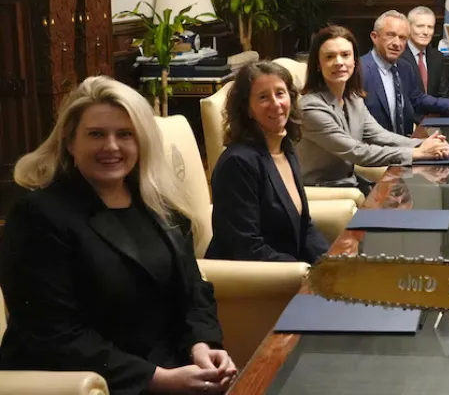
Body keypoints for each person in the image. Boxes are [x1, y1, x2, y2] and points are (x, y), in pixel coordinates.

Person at [0, 76, 237, 394]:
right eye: (96, 134)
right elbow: (51, 334)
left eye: (125, 134)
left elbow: (194, 290)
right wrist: (156, 379)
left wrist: (202, 343)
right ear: (70, 142)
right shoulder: (38, 216)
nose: (111, 146)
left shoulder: (159, 204)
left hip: (172, 369)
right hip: (92, 383)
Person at [298, 25, 449, 192]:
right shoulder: (310, 107)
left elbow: (378, 135)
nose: (339, 62)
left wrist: (423, 144)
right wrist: (417, 153)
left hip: (350, 183)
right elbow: (357, 152)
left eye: (345, 55)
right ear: (318, 64)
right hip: (323, 190)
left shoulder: (353, 99)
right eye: (330, 57)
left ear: (354, 61)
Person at [205, 61, 330, 264]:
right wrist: (307, 272)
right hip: (258, 283)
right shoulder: (238, 164)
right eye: (263, 97)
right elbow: (245, 248)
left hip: (291, 271)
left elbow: (304, 225)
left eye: (280, 93)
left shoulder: (285, 147)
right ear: (247, 109)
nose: (275, 104)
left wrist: (333, 263)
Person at [361, 10, 449, 136]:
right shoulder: (359, 71)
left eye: (402, 38)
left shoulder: (404, 67)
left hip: (405, 146)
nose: (397, 43)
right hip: (374, 150)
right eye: (390, 35)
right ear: (375, 37)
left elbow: (417, 98)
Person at [400, 5, 449, 99]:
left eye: (430, 27)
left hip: (435, 112)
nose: (426, 32)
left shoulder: (437, 57)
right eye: (420, 26)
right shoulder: (398, 55)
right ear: (408, 27)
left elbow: (444, 94)